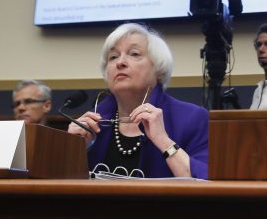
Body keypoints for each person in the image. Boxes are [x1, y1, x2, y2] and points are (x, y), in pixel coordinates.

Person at [68, 23, 208, 178]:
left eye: (134, 54)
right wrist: (73, 150)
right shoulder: (94, 124)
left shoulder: (192, 118)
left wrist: (163, 140)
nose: (120, 63)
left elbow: (206, 183)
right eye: (113, 57)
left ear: (159, 70)